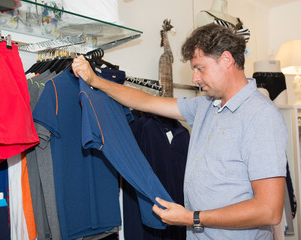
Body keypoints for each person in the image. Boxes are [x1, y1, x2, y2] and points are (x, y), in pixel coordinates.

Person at [71, 23, 287, 239]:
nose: (194, 78)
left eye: (200, 68)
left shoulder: (261, 116)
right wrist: (96, 81)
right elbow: (147, 102)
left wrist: (192, 218)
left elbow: (269, 210)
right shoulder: (207, 104)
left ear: (226, 60)